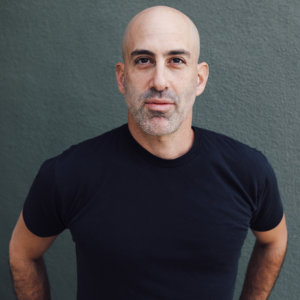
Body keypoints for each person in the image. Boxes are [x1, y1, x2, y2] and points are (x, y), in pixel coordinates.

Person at [9, 5, 287, 300]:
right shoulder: (68, 173)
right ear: (122, 77)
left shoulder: (247, 171)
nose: (159, 81)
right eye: (143, 60)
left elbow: (274, 241)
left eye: (176, 60)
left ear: (199, 79)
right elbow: (22, 254)